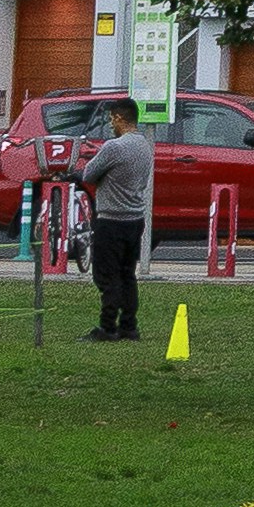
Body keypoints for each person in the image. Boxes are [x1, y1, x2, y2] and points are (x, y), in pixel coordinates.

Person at [82, 94, 158, 342]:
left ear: (118, 118)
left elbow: (89, 175)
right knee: (128, 274)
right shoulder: (144, 146)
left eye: (112, 119)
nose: (111, 124)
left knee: (106, 275)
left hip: (111, 220)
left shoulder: (114, 147)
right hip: (135, 219)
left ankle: (107, 327)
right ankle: (129, 326)